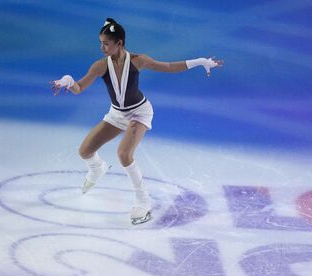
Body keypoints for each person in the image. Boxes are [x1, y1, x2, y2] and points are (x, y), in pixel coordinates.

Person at [50, 18, 223, 225]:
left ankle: (143, 201)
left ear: (119, 43)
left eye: (106, 43)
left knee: (124, 154)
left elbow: (168, 66)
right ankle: (97, 169)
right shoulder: (99, 66)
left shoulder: (138, 60)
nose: (102, 47)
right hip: (116, 114)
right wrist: (69, 82)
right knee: (85, 151)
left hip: (139, 113)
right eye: (101, 43)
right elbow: (79, 88)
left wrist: (200, 61)